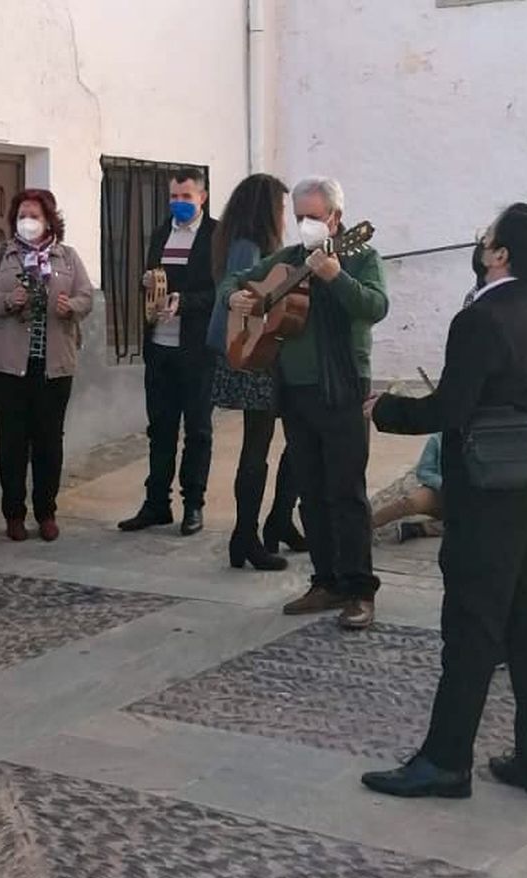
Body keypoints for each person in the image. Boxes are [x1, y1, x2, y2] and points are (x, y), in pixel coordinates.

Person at [360, 204, 527, 802]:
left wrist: (386, 409)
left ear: (500, 255)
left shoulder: (480, 319)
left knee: (472, 629)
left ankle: (446, 761)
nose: (481, 243)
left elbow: (452, 408)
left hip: (488, 496)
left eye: (488, 237)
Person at [219, 176, 389, 630]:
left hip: (342, 386)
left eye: (314, 216)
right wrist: (236, 298)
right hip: (293, 389)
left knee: (346, 492)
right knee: (310, 490)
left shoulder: (361, 256)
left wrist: (336, 277)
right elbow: (235, 280)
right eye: (299, 217)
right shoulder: (290, 259)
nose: (306, 225)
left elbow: (375, 306)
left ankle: (359, 589)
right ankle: (326, 580)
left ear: (336, 217)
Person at [0, 189, 95, 542]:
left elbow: (86, 296)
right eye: (22, 215)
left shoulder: (67, 257)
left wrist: (72, 306)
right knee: (12, 440)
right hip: (8, 364)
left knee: (49, 441)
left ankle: (46, 512)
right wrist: (6, 300)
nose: (28, 221)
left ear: (49, 221)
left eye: (35, 215)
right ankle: (13, 513)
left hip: (53, 363)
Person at [203, 172, 304, 571]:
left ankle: (275, 522)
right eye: (280, 206)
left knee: (287, 439)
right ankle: (246, 535)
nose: (284, 214)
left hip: (260, 352)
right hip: (253, 354)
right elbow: (247, 302)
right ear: (266, 209)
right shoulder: (249, 245)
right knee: (257, 447)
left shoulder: (242, 241)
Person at [120, 168, 217, 537]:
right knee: (160, 429)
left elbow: (219, 291)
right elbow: (152, 280)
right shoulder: (162, 232)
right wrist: (146, 281)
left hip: (196, 350)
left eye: (186, 197)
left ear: (202, 198)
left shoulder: (215, 235)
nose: (179, 203)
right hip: (159, 347)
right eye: (174, 197)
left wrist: (184, 302)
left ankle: (194, 504)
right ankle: (156, 503)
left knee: (198, 431)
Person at [372, 434, 444, 540]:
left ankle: (421, 529)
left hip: (466, 501)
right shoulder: (437, 439)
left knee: (465, 525)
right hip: (439, 492)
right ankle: (367, 525)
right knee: (409, 502)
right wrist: (445, 484)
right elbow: (423, 472)